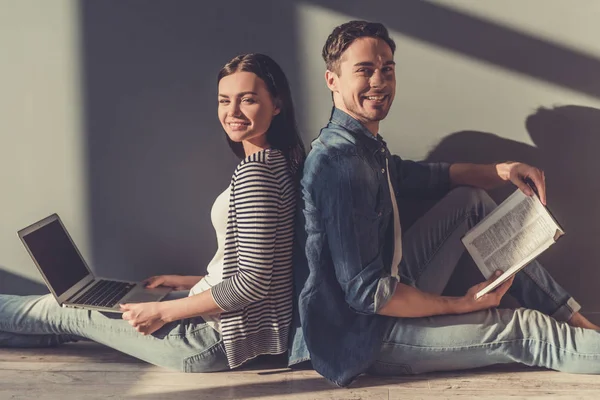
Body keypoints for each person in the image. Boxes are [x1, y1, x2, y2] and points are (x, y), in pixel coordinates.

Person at [288, 20, 600, 387]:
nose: (379, 81)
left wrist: (502, 170)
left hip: (389, 293)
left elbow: (426, 176)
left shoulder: (363, 146)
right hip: (366, 337)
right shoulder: (339, 164)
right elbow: (368, 295)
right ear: (332, 81)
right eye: (365, 71)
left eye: (387, 69)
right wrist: (463, 305)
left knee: (469, 200)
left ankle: (577, 321)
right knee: (525, 328)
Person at [0, 53, 305, 373]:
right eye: (224, 100)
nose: (232, 112)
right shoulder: (281, 163)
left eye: (248, 100)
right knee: (66, 321)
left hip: (207, 340)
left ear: (277, 104)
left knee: (69, 310)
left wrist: (163, 313)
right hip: (227, 332)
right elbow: (265, 267)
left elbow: (253, 282)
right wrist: (187, 282)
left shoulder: (255, 174)